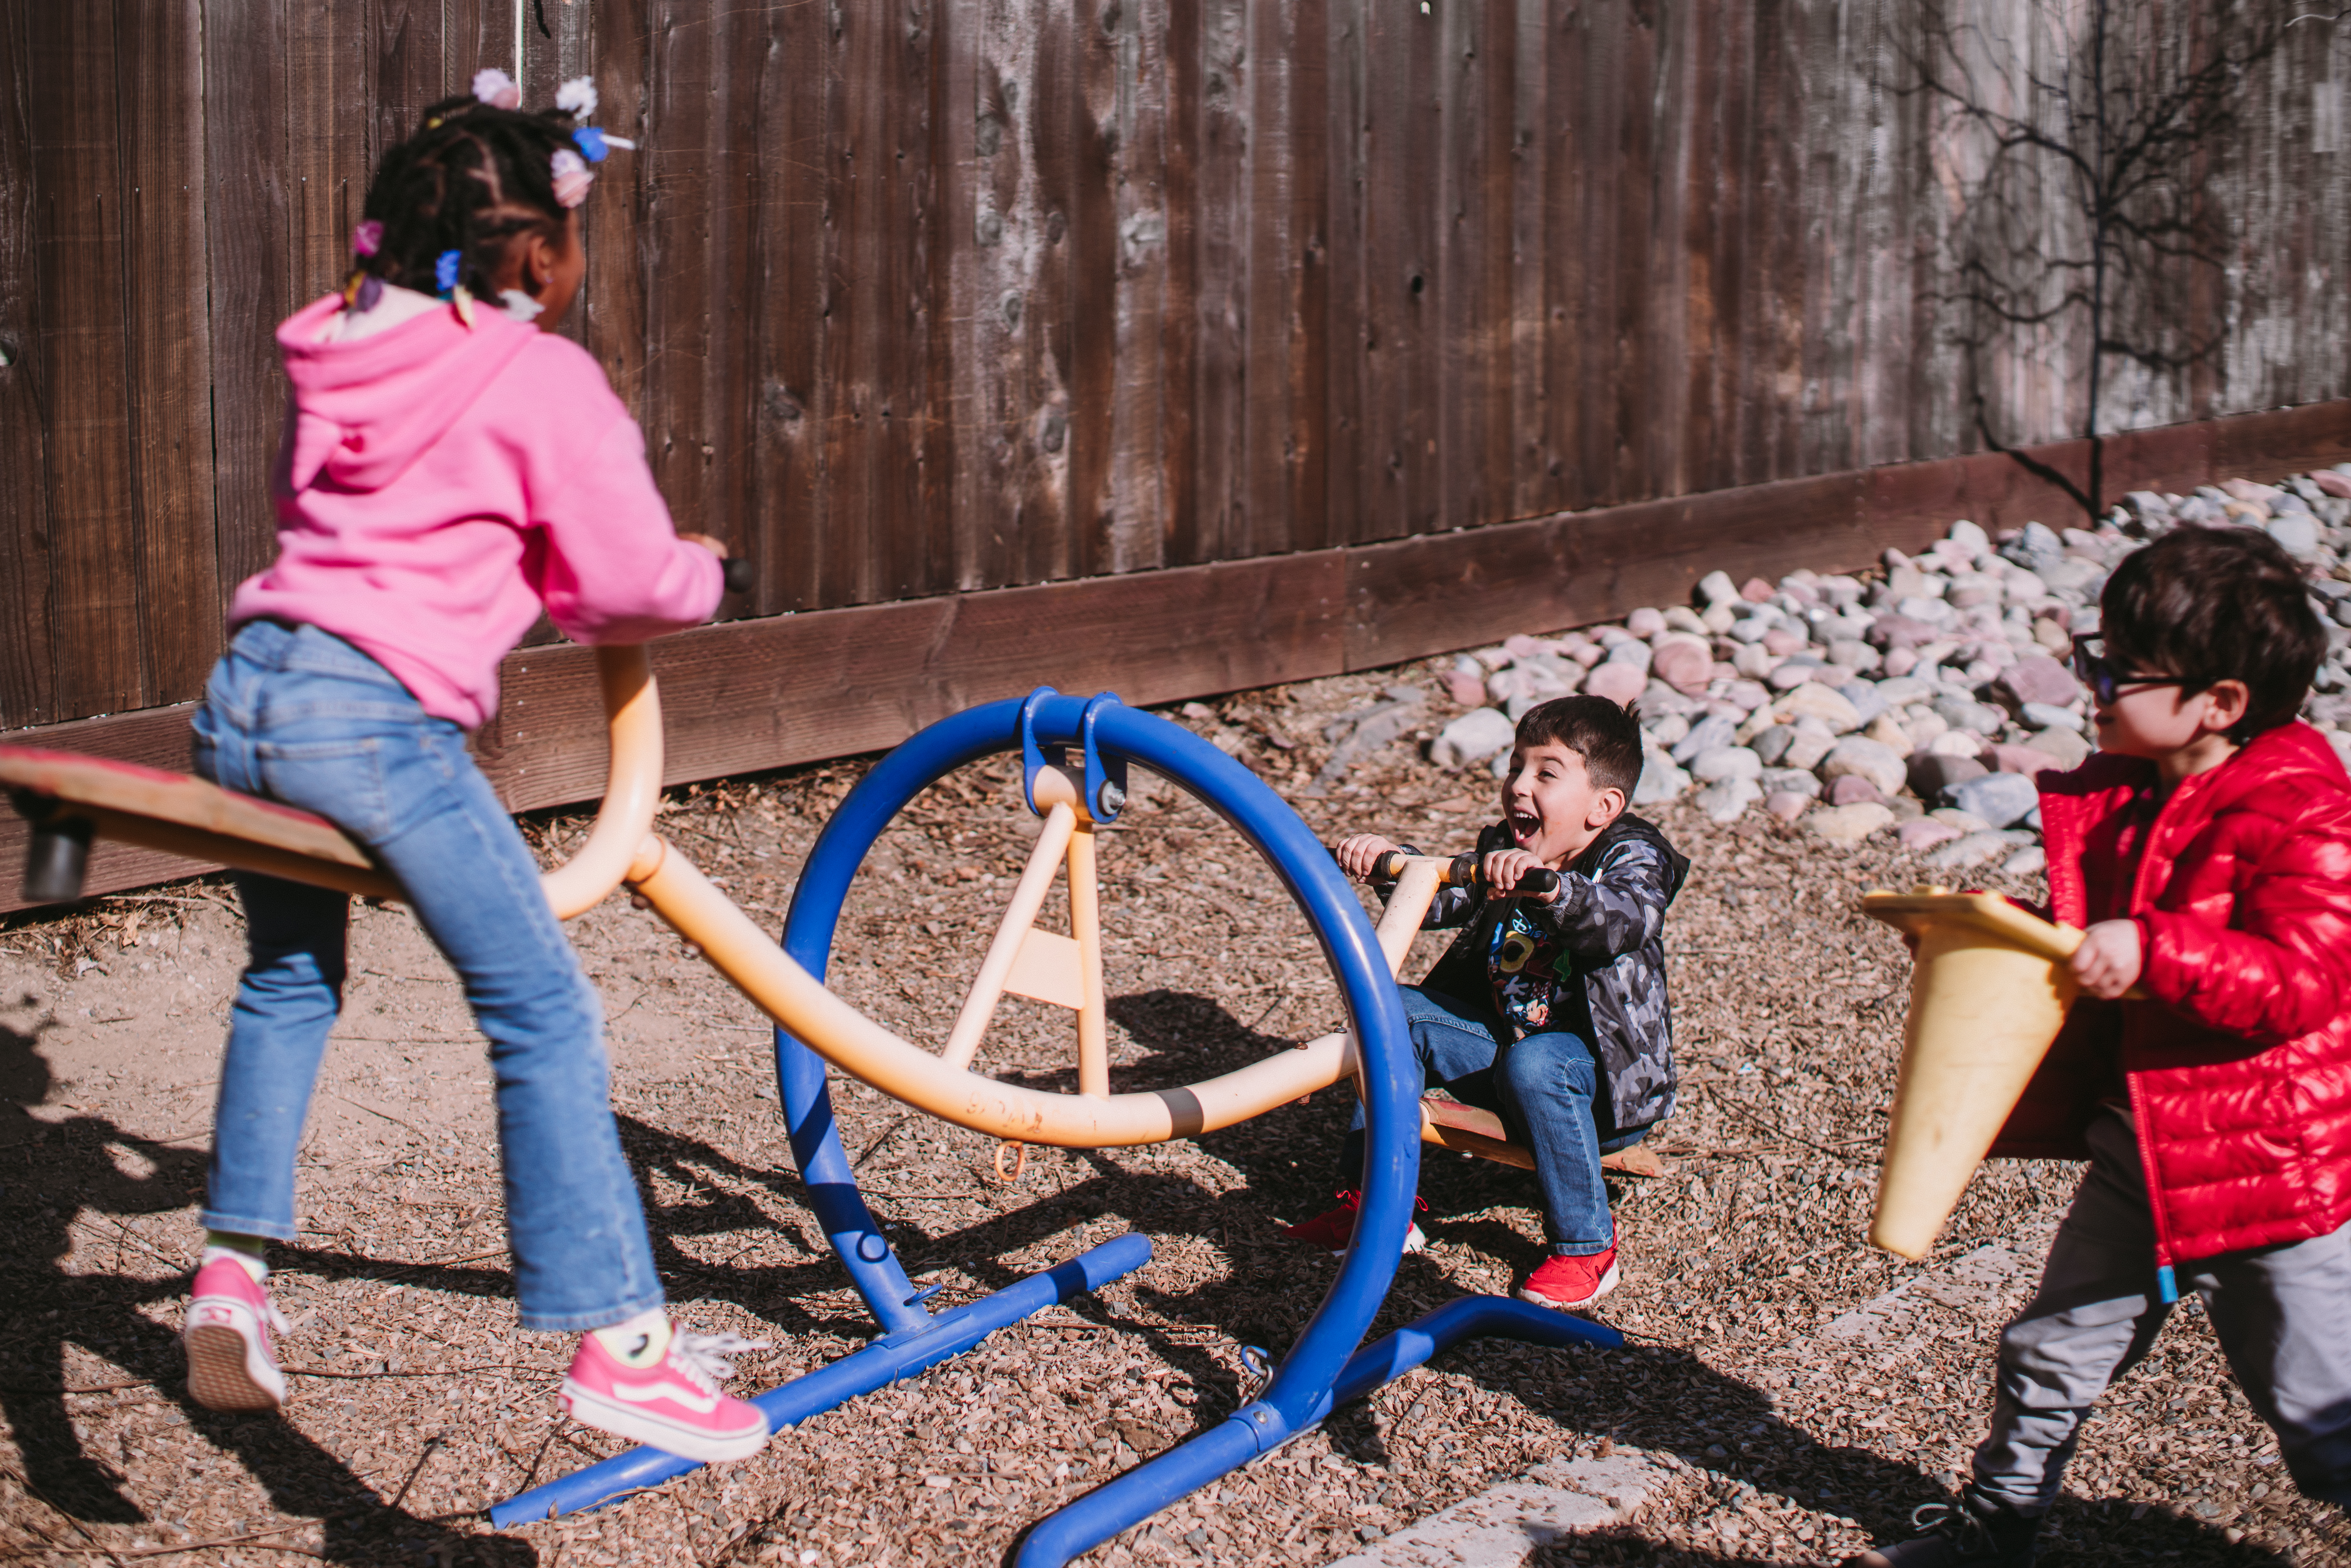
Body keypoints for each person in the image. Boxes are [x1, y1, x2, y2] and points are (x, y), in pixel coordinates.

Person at [178, 68, 770, 1465]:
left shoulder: (337, 350)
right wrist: (708, 575)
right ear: (541, 259)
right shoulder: (538, 375)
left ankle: (232, 1277)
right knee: (541, 1011)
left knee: (286, 978)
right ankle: (622, 1343)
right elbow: (624, 577)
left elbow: (386, 529)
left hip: (246, 701)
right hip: (370, 724)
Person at [1851, 526, 2351, 1568]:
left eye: (2119, 667)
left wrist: (2157, 949)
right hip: (2148, 1142)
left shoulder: (2302, 810)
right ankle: (1998, 1521)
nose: (2093, 679)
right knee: (2052, 1343)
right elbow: (2099, 939)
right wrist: (1998, 930)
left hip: (2268, 1172)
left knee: (2319, 1413)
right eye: (2096, 652)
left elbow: (2305, 979)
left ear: (2219, 703)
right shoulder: (2138, 784)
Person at [1285, 695, 1689, 1309]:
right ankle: (1375, 1204)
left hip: (1598, 1086)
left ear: (1602, 807)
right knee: (1392, 1010)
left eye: (1546, 774)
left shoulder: (1632, 855)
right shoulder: (1506, 846)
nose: (1519, 786)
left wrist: (1553, 889)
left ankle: (1586, 1247)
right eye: (1515, 767)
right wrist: (1393, 866)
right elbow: (1445, 897)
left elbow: (1625, 920)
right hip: (1503, 1059)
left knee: (1540, 1062)